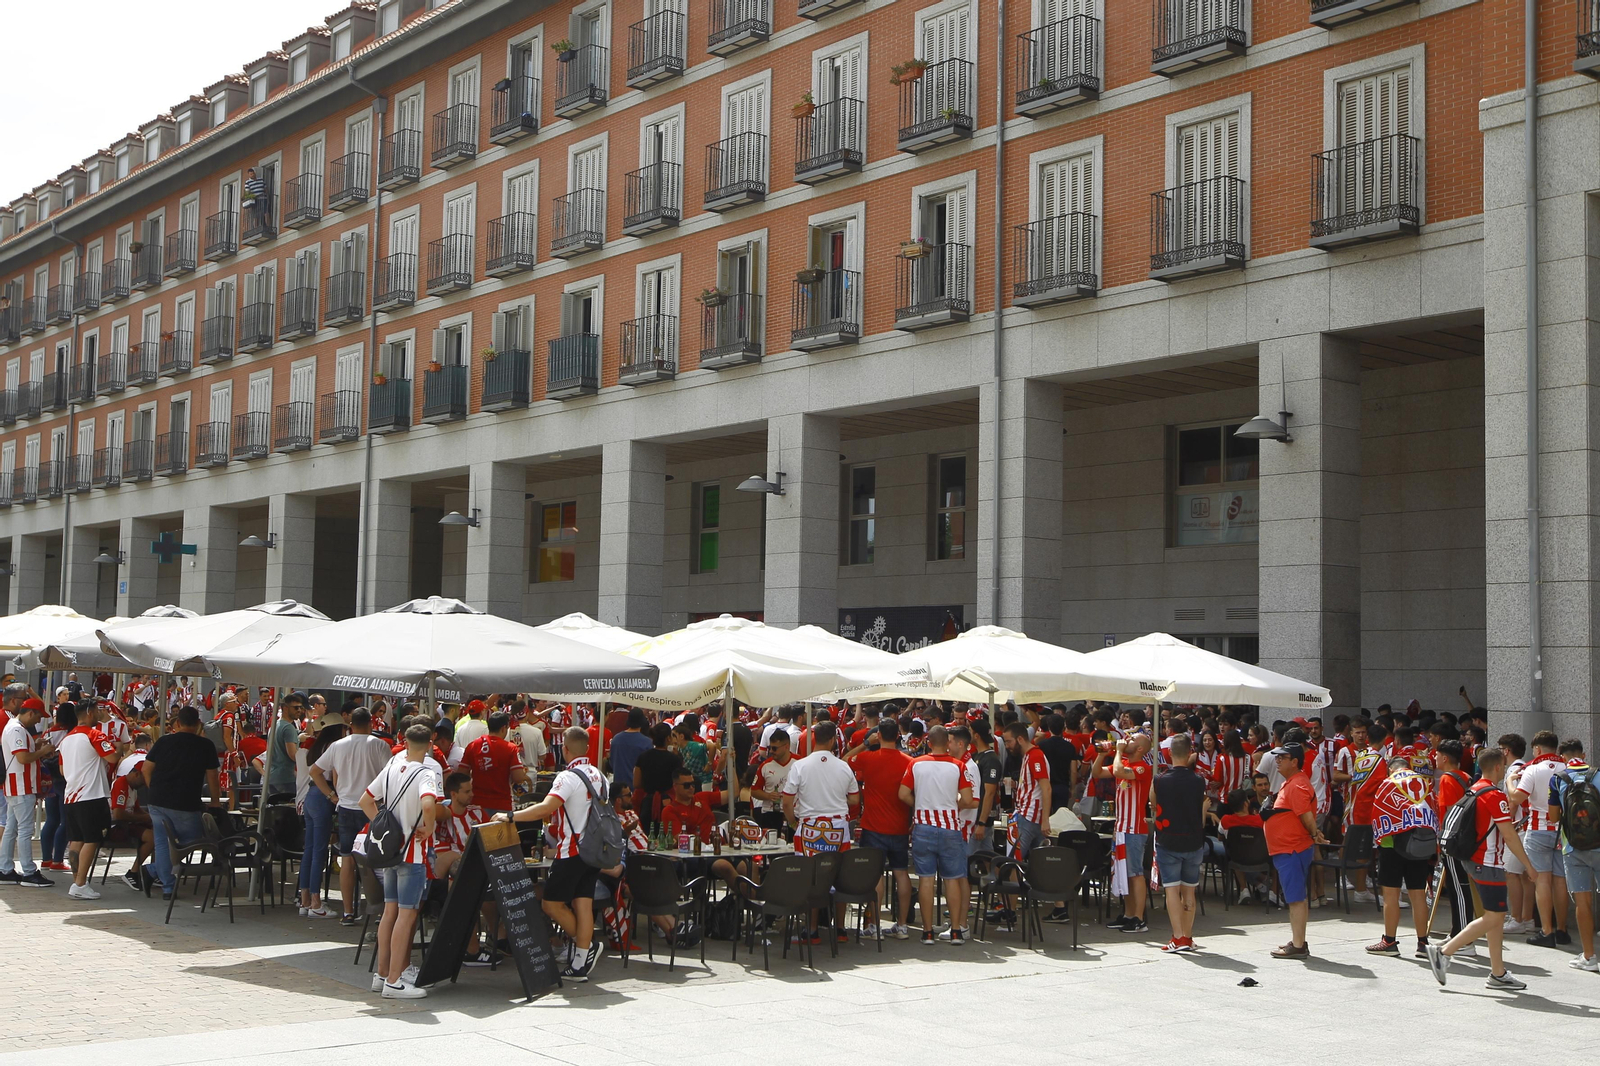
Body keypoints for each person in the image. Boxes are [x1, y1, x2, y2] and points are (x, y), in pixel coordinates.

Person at [500, 727, 608, 982]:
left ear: (566, 749)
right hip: (594, 849)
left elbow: (545, 809)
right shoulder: (600, 776)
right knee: (583, 903)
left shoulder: (567, 777)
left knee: (551, 904)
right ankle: (580, 961)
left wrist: (511, 816)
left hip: (572, 849)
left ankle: (587, 947)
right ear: (588, 748)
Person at [1427, 746, 1536, 991]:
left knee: (1494, 918)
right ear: (1498, 767)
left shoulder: (1475, 789)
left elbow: (1494, 825)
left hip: (1476, 860)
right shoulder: (1495, 795)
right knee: (1494, 916)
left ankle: (1498, 973)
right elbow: (1508, 835)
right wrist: (1529, 865)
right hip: (1488, 862)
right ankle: (1444, 951)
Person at [360, 723, 440, 1000]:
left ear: (404, 742)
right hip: (413, 853)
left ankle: (382, 974)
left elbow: (365, 800)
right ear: (430, 745)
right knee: (406, 915)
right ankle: (394, 980)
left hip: (390, 852)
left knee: (389, 913)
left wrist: (384, 829)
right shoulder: (427, 772)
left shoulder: (392, 767)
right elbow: (429, 803)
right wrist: (428, 827)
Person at [309, 708, 395, 925]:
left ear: (350, 724)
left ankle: (348, 912)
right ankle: (381, 911)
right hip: (372, 807)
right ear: (370, 723)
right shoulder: (379, 745)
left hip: (346, 807)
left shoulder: (338, 745)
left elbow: (314, 771)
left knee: (347, 859)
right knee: (378, 859)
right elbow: (391, 776)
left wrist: (331, 795)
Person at [898, 725, 974, 945]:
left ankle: (927, 931)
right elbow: (968, 799)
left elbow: (902, 793)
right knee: (952, 879)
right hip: (950, 827)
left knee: (926, 879)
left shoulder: (916, 764)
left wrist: (920, 804)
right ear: (947, 743)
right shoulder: (958, 766)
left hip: (923, 827)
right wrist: (952, 804)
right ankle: (957, 931)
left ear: (928, 742)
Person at [140, 705, 222, 901]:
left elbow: (145, 769)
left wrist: (153, 789)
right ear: (198, 724)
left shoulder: (163, 741)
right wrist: (216, 801)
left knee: (162, 844)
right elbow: (212, 777)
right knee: (194, 838)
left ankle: (164, 882)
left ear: (177, 723)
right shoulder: (205, 745)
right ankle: (154, 872)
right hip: (186, 801)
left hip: (158, 800)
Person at [847, 719, 913, 938]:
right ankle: (902, 925)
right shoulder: (909, 761)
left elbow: (844, 760)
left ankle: (874, 925)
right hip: (900, 826)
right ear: (897, 736)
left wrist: (866, 743)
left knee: (876, 876)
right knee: (901, 873)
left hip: (873, 826)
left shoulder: (867, 757)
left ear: (879, 736)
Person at [1263, 743, 1327, 959]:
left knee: (1296, 898)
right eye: (1277, 757)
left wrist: (1314, 833)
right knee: (1296, 896)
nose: (1278, 760)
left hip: (1292, 848)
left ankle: (1298, 945)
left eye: (1283, 757)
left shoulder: (1297, 784)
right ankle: (1298, 940)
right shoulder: (1292, 782)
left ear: (1295, 761)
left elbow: (1305, 815)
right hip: (1288, 848)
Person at [1509, 729, 1570, 947]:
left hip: (1538, 829)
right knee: (1560, 881)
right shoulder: (1568, 768)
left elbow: (1517, 797)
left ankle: (1547, 931)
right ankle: (1562, 929)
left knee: (1542, 880)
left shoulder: (1533, 769)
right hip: (1563, 832)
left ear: (1537, 748)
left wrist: (1510, 782)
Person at [58, 702, 121, 900]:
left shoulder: (66, 739)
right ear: (89, 712)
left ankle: (77, 881)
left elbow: (62, 770)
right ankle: (80, 883)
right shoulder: (95, 735)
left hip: (71, 796)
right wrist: (118, 748)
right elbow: (112, 758)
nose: (101, 714)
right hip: (92, 796)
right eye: (98, 711)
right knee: (92, 840)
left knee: (76, 840)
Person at [1153, 734, 1208, 953]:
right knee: (1189, 892)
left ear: (1168, 753)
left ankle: (1177, 937)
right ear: (1189, 753)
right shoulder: (1198, 780)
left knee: (1171, 890)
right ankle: (1188, 935)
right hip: (1194, 840)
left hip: (1168, 839)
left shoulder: (1159, 779)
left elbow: (1152, 801)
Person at [1094, 733, 1153, 934]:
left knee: (1135, 873)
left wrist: (1117, 751)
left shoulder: (1142, 767)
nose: (1127, 740)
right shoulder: (1124, 761)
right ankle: (1128, 914)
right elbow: (1097, 773)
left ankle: (1139, 918)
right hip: (1121, 828)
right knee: (1124, 874)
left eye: (1133, 739)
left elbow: (1119, 770)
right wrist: (1102, 754)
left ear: (1140, 749)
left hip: (1134, 829)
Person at [1549, 740, 1598, 969]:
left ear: (1562, 757)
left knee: (1583, 901)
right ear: (1584, 754)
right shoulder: (1598, 774)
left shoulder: (1558, 779)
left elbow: (1553, 817)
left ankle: (1588, 956)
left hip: (1572, 848)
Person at [0, 696, 54, 886]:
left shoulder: (16, 727)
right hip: (21, 786)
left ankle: (5, 869)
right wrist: (43, 749)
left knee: (12, 829)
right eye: (38, 717)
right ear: (31, 713)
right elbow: (23, 758)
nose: (39, 721)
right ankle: (29, 872)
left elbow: (21, 756)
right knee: (24, 830)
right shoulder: (16, 729)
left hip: (17, 786)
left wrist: (37, 746)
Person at [1432, 740, 1477, 954]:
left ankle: (1464, 940)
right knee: (1459, 887)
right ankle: (1456, 932)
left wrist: (1442, 841)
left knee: (1458, 889)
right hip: (1464, 840)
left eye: (1437, 755)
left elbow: (1450, 812)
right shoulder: (1465, 776)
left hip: (1452, 841)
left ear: (1445, 758)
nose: (1434, 758)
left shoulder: (1447, 779)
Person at [298, 715, 345, 917]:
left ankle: (305, 899)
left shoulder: (317, 746)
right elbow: (335, 775)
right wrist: (333, 795)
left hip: (311, 796)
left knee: (310, 849)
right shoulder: (333, 747)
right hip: (323, 796)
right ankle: (315, 902)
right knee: (319, 851)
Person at [462, 711, 528, 818]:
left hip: (477, 803)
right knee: (501, 834)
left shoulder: (473, 745)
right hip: (502, 804)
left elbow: (461, 773)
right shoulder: (510, 748)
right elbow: (518, 777)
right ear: (503, 728)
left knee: (478, 834)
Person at [108, 750, 155, 889]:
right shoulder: (121, 784)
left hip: (127, 823)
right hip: (115, 826)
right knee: (152, 837)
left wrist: (149, 817)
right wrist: (144, 817)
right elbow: (118, 814)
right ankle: (133, 873)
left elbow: (136, 810)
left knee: (159, 830)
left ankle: (156, 872)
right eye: (144, 778)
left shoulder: (132, 788)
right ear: (136, 774)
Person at [752, 727, 796, 831]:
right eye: (769, 748)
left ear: (786, 746)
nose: (771, 751)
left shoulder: (799, 763)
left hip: (793, 813)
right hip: (770, 813)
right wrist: (768, 796)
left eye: (774, 748)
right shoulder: (765, 766)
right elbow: (754, 791)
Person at [607, 709, 652, 801]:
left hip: (618, 790)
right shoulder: (647, 742)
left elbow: (611, 762)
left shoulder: (616, 739)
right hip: (637, 792)